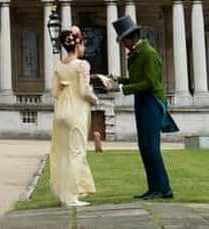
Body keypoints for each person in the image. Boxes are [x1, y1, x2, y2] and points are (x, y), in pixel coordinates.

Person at [109, 16, 175, 200]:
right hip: (142, 100)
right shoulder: (137, 53)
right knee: (144, 146)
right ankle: (153, 188)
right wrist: (117, 80)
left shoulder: (149, 53)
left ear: (132, 37)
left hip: (152, 101)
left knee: (151, 147)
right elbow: (137, 80)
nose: (123, 45)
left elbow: (150, 83)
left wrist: (121, 88)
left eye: (124, 40)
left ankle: (164, 189)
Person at [49, 26, 98, 208]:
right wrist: (95, 98)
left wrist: (66, 86)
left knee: (62, 153)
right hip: (76, 112)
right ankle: (71, 197)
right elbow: (84, 92)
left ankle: (64, 194)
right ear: (78, 45)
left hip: (60, 112)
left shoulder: (59, 65)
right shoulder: (82, 65)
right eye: (83, 44)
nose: (84, 48)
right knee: (76, 152)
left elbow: (54, 92)